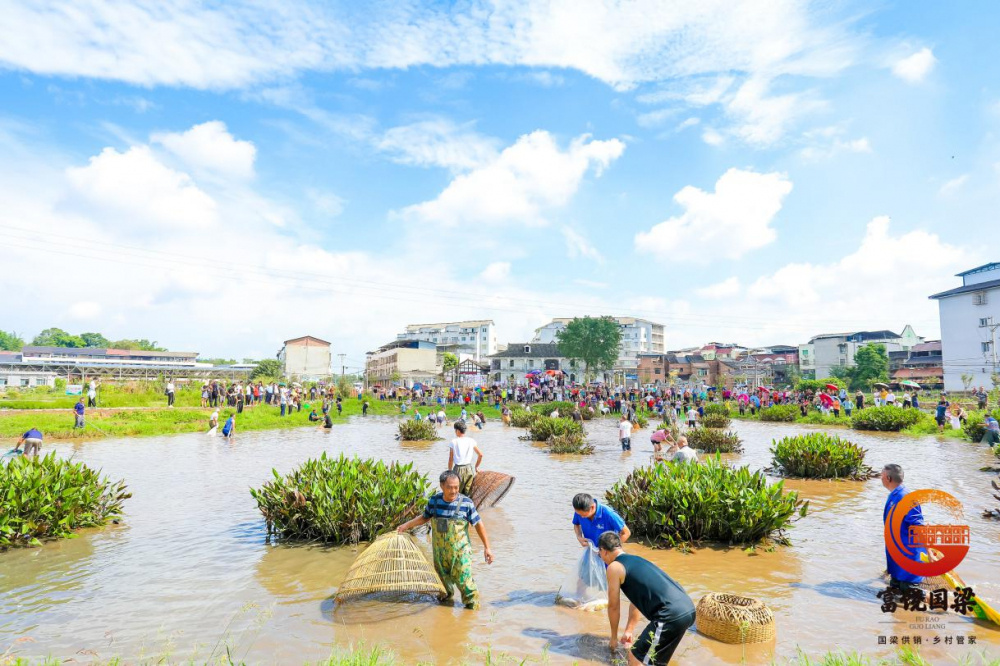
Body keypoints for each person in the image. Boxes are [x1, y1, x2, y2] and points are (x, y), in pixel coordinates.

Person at [397, 470, 494, 610]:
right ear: (442, 486)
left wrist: (487, 547)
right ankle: (445, 611)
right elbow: (424, 517)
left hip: (461, 553)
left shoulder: (466, 503)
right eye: (450, 487)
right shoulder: (434, 501)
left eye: (456, 487)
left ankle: (472, 613)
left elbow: (478, 524)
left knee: (465, 583)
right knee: (443, 588)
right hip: (440, 554)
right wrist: (406, 526)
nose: (453, 491)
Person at [599, 531, 695, 664]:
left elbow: (613, 606)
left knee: (635, 657)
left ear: (603, 551)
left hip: (669, 615)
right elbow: (636, 601)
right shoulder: (636, 560)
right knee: (654, 661)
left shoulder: (614, 567)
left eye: (600, 555)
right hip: (687, 608)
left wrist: (613, 638)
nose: (602, 558)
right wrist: (629, 631)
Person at [881, 464, 925, 591]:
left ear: (888, 478)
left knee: (913, 594)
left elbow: (918, 526)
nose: (881, 478)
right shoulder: (894, 495)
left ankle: (948, 605)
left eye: (882, 476)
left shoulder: (906, 498)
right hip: (897, 560)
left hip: (909, 559)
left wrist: (928, 548)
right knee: (895, 594)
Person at [448, 420, 483, 495]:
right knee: (467, 494)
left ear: (457, 430)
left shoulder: (453, 442)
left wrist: (449, 471)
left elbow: (450, 459)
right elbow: (480, 455)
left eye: (455, 430)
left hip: (458, 470)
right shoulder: (471, 440)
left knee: (456, 494)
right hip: (469, 469)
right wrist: (476, 467)